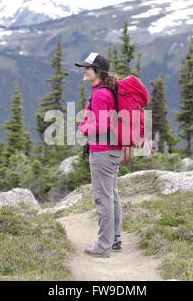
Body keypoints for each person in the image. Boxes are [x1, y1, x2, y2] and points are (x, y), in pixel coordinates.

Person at [75, 52, 123, 258]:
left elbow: (103, 124)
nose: (84, 70)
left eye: (88, 67)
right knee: (111, 196)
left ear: (98, 71)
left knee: (103, 198)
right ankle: (115, 239)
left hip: (103, 151)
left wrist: (84, 128)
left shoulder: (101, 94)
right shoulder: (105, 91)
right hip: (112, 149)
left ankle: (103, 246)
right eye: (84, 67)